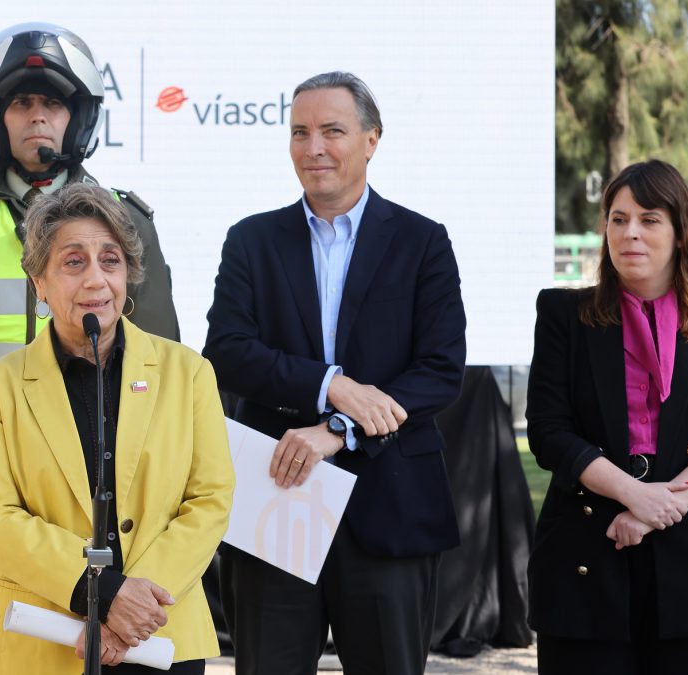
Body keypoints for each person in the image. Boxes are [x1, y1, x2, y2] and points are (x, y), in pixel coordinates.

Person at [0, 22, 180, 674]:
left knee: (99, 651)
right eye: (21, 104)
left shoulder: (126, 221)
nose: (37, 117)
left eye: (52, 103)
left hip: (99, 487)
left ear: (78, 117)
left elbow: (159, 367)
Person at [203, 71, 467, 675]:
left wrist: (339, 426)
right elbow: (228, 349)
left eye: (331, 130)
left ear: (372, 140)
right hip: (278, 502)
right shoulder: (251, 241)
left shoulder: (424, 242)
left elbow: (439, 371)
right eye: (299, 132)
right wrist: (330, 384)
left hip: (390, 506)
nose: (313, 147)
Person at [0, 183, 232, 674]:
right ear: (39, 281)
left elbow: (209, 501)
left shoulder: (189, 373)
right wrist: (102, 594)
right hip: (41, 640)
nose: (96, 280)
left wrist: (132, 609)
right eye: (73, 261)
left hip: (159, 633)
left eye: (110, 260)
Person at [526, 159, 688, 674]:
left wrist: (657, 508)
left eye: (649, 219)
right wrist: (633, 493)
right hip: (586, 557)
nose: (630, 233)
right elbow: (549, 433)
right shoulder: (562, 315)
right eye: (618, 219)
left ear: (682, 232)